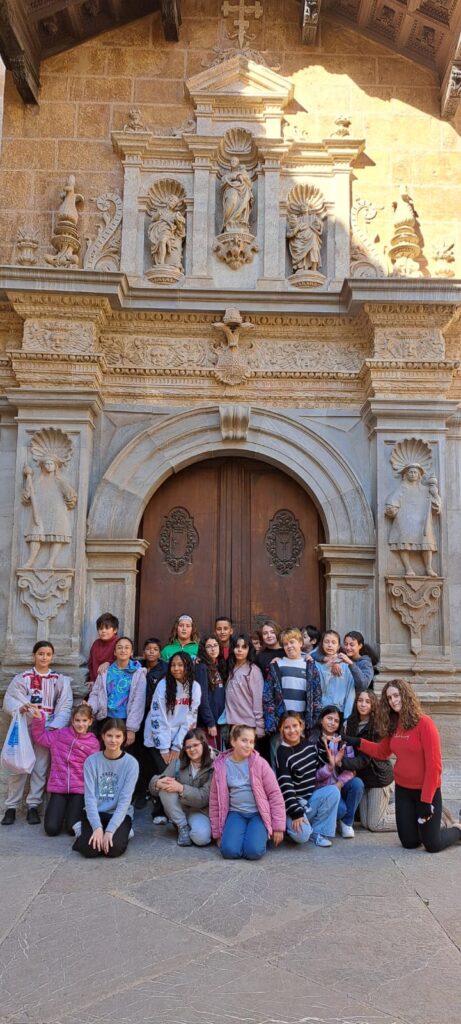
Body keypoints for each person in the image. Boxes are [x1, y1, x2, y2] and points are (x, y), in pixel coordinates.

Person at [346, 679, 461, 853]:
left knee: (433, 845)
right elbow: (382, 751)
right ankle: (427, 827)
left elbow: (434, 767)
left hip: (425, 791)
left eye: (396, 695)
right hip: (403, 790)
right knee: (409, 842)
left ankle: (457, 829)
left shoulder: (425, 723)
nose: (393, 701)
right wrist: (357, 742)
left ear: (405, 695)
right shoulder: (394, 724)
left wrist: (426, 800)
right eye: (389, 698)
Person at [1, 641, 73, 826]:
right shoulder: (22, 678)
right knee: (18, 765)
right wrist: (20, 708)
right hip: (24, 726)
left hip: (46, 728)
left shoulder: (59, 679)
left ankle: (33, 805)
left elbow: (65, 705)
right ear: (34, 655)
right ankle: (11, 807)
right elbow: (10, 699)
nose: (44, 657)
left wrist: (55, 727)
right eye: (41, 653)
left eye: (48, 654)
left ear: (52, 657)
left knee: (41, 767)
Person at [209, 725, 285, 860]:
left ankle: (258, 836)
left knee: (253, 852)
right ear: (233, 741)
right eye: (244, 740)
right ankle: (244, 836)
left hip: (258, 814)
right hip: (236, 813)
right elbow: (215, 801)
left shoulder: (260, 764)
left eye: (251, 741)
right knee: (228, 851)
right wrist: (218, 834)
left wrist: (278, 826)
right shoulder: (221, 766)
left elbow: (275, 794)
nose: (248, 745)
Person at [29, 703, 100, 836]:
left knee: (72, 830)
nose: (80, 724)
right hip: (59, 789)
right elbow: (40, 737)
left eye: (84, 720)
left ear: (90, 722)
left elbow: (95, 770)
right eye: (77, 720)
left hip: (79, 791)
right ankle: (62, 815)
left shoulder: (93, 743)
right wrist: (39, 719)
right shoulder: (60, 734)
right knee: (51, 829)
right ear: (72, 720)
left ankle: (74, 815)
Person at [72, 718, 139, 859]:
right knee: (90, 850)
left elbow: (125, 800)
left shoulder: (131, 764)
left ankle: (125, 831)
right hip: (96, 812)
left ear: (124, 738)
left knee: (112, 849)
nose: (113, 740)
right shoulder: (91, 761)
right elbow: (89, 797)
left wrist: (110, 830)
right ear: (103, 736)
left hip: (119, 813)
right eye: (109, 735)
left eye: (118, 736)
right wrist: (97, 827)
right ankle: (83, 828)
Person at [275, 712, 340, 847]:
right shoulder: (282, 753)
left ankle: (317, 832)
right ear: (281, 730)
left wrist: (326, 752)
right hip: (293, 804)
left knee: (333, 791)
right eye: (287, 727)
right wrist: (296, 813)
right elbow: (285, 787)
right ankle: (292, 825)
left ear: (301, 726)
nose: (292, 730)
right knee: (302, 836)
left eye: (295, 726)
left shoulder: (309, 745)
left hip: (309, 800)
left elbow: (317, 766)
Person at [149, 728, 214, 846]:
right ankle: (182, 826)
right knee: (166, 785)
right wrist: (157, 783)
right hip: (180, 808)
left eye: (195, 745)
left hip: (200, 811)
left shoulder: (214, 766)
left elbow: (204, 798)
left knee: (201, 839)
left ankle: (188, 825)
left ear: (204, 744)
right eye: (188, 747)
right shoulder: (178, 762)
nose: (192, 749)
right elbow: (154, 786)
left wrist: (181, 788)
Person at [342, 690, 395, 832]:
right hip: (364, 780)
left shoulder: (378, 726)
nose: (363, 704)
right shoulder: (350, 723)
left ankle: (413, 812)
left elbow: (364, 760)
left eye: (367, 701)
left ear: (373, 705)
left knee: (375, 824)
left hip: (378, 778)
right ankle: (403, 807)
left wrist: (340, 762)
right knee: (365, 823)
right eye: (360, 700)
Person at [263, 628, 322, 753]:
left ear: (300, 643)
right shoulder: (276, 666)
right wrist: (271, 722)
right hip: (280, 724)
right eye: (285, 644)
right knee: (279, 758)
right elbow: (268, 696)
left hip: (302, 724)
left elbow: (316, 696)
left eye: (292, 642)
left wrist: (313, 722)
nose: (289, 646)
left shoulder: (310, 666)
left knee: (301, 758)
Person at [312, 705, 364, 838]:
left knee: (357, 783)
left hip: (339, 786)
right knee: (341, 810)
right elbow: (313, 776)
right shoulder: (313, 741)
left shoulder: (342, 741)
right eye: (329, 718)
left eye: (336, 721)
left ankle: (346, 823)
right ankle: (327, 818)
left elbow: (351, 769)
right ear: (321, 720)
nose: (332, 723)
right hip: (322, 789)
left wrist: (339, 784)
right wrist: (330, 767)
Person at [87, 636, 146, 746]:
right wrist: (89, 709)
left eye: (127, 648)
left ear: (131, 652)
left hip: (124, 721)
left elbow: (138, 702)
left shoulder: (138, 673)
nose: (123, 650)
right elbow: (95, 693)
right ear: (114, 652)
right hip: (105, 718)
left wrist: (131, 729)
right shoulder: (105, 671)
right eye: (119, 647)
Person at [144, 652, 201, 764]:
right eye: (173, 665)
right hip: (158, 736)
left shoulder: (194, 687)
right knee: (164, 771)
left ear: (188, 666)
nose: (176, 668)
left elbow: (190, 718)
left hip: (179, 737)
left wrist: (178, 745)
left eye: (180, 665)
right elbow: (158, 716)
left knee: (178, 770)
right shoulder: (163, 685)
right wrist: (164, 748)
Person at [132, 637, 168, 808]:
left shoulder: (165, 668)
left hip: (157, 717)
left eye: (155, 649)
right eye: (148, 649)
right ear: (144, 652)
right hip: (137, 716)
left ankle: (158, 793)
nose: (151, 652)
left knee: (156, 756)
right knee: (139, 755)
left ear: (160, 653)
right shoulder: (137, 666)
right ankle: (141, 791)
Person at [225, 634, 265, 741]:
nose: (239, 650)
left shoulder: (253, 671)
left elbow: (258, 699)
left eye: (244, 647)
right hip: (231, 724)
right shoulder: (230, 667)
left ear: (249, 650)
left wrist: (260, 726)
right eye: (237, 646)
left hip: (248, 725)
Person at [312, 630, 355, 720]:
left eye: (333, 642)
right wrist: (327, 667)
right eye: (326, 642)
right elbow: (317, 689)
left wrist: (347, 717)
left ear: (338, 646)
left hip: (340, 711)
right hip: (321, 711)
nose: (330, 645)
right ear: (322, 644)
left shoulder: (345, 664)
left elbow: (350, 693)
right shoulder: (316, 664)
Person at [194, 634, 227, 749]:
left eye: (215, 645)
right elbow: (202, 697)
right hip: (207, 724)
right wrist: (210, 722)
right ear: (203, 649)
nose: (213, 649)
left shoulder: (217, 666)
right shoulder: (202, 667)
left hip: (219, 722)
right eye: (209, 646)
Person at [87, 612, 119, 688]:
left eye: (107, 628)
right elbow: (91, 663)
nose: (103, 631)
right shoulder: (96, 644)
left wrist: (109, 663)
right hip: (96, 684)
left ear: (115, 630)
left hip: (113, 685)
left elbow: (124, 663)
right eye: (100, 628)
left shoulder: (119, 643)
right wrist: (91, 679)